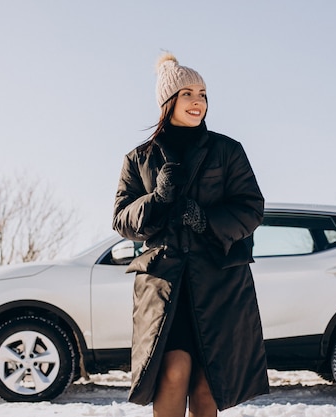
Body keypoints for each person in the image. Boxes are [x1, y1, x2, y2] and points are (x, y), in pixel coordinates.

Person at [112, 53, 269, 417]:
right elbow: (122, 220)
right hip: (164, 287)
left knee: (206, 382)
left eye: (203, 93)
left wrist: (205, 219)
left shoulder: (227, 151)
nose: (198, 101)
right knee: (173, 370)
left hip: (219, 284)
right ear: (167, 101)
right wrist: (159, 198)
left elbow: (251, 209)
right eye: (187, 93)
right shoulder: (138, 158)